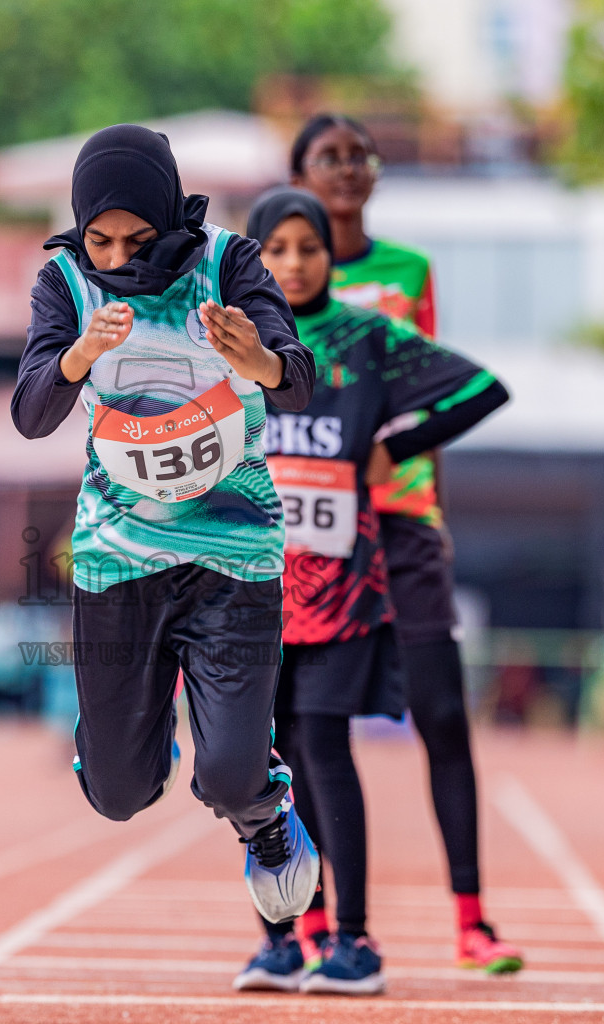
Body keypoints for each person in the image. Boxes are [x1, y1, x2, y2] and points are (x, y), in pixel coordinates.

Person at [12, 125, 321, 925]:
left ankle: (265, 818)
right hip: (120, 562)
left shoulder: (229, 264)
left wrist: (259, 359)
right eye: (100, 240)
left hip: (234, 557)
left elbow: (298, 384)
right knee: (117, 795)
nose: (117, 258)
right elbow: (31, 415)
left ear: (171, 222)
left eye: (138, 240)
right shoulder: (67, 286)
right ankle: (123, 732)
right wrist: (78, 356)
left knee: (227, 773)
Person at [230, 187, 509, 995]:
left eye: (307, 247)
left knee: (321, 746)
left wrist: (397, 447)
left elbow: (482, 389)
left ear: (329, 254)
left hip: (340, 591)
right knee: (256, 764)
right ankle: (284, 940)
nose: (292, 263)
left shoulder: (365, 337)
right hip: (247, 590)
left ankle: (353, 940)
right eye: (275, 249)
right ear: (252, 257)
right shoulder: (228, 339)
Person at [289, 112, 523, 972]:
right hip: (311, 530)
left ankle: (471, 917)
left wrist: (413, 474)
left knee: (442, 713)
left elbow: (435, 385)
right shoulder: (267, 273)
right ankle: (318, 922)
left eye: (359, 157)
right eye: (328, 158)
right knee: (311, 729)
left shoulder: (406, 272)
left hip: (402, 516)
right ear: (298, 176)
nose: (346, 171)